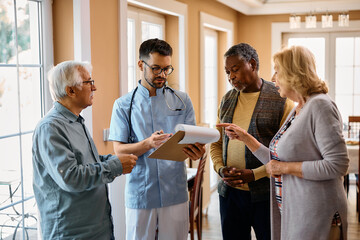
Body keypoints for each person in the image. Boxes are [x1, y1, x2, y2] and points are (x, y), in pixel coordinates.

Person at [218, 45, 349, 240]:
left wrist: (284, 168)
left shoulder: (320, 105)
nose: (273, 78)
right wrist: (244, 137)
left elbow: (338, 165)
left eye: (277, 72)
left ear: (293, 74)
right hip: (298, 209)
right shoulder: (299, 108)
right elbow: (274, 160)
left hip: (318, 212)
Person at [109, 38, 205, 240]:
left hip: (175, 192)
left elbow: (192, 143)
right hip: (141, 193)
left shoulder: (182, 100)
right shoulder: (123, 105)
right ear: (140, 65)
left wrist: (197, 151)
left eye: (166, 69)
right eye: (156, 69)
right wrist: (147, 144)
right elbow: (118, 150)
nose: (162, 75)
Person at [32, 61, 138, 239]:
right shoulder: (50, 128)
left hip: (96, 228)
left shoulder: (76, 121)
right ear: (70, 91)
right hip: (71, 232)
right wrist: (115, 166)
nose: (94, 87)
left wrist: (117, 159)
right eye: (89, 82)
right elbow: (71, 178)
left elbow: (88, 162)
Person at [210, 43, 294, 240]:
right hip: (229, 194)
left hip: (266, 196)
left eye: (235, 69)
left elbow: (286, 155)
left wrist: (254, 175)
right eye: (227, 72)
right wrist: (220, 168)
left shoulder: (281, 99)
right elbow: (216, 142)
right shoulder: (227, 99)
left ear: (253, 64)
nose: (231, 77)